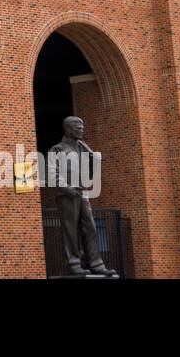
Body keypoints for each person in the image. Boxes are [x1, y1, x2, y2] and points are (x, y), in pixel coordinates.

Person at [48, 116, 117, 277]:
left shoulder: (83, 149)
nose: (82, 129)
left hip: (82, 193)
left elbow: (91, 174)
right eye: (78, 127)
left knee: (90, 228)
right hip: (67, 194)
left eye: (82, 127)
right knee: (70, 230)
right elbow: (51, 172)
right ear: (68, 129)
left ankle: (96, 264)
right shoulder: (57, 149)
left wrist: (93, 158)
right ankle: (73, 264)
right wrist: (66, 187)